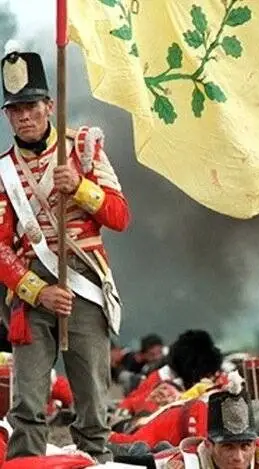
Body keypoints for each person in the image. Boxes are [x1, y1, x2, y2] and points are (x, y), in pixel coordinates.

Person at [0, 44, 129, 462]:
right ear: (7, 116)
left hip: (84, 280)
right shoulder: (3, 171)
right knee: (27, 403)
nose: (24, 116)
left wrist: (80, 187)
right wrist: (38, 291)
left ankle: (97, 462)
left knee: (92, 398)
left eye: (31, 106)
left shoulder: (84, 149)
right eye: (15, 109)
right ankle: (26, 464)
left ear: (49, 106)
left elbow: (120, 216)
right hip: (31, 287)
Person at [152, 386, 259, 468]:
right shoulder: (188, 463)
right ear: (209, 446)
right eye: (228, 447)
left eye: (245, 447)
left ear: (254, 447)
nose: (238, 458)